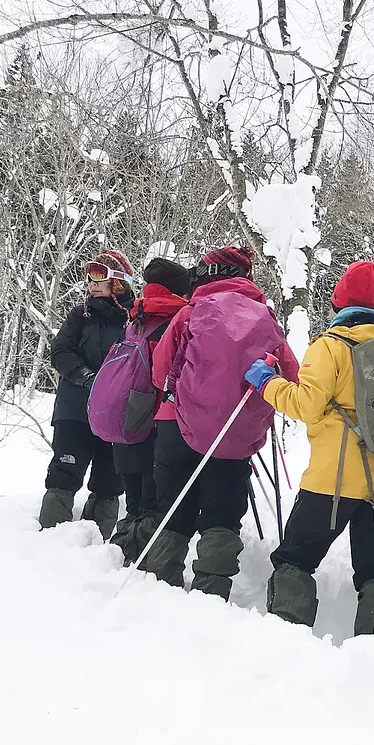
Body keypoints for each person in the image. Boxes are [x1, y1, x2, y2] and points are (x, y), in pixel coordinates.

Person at [246, 261, 374, 642]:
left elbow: (306, 405)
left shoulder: (330, 346)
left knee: (295, 559)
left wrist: (267, 383)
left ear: (339, 300)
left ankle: (287, 640)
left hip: (332, 480)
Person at [141, 246, 299, 600]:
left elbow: (160, 371)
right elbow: (292, 377)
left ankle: (160, 589)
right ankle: (210, 595)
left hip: (176, 425)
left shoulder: (190, 313)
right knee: (222, 515)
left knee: (173, 506)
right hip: (235, 433)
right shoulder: (266, 318)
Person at [39, 251, 135, 538]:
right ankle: (48, 540)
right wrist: (85, 376)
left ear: (117, 282)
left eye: (99, 276)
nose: (91, 283)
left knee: (109, 480)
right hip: (75, 409)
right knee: (64, 472)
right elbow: (60, 352)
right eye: (89, 276)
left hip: (114, 412)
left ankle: (96, 546)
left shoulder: (133, 320)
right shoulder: (80, 315)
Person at [107, 257, 191, 565]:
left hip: (128, 415)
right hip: (159, 421)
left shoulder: (137, 317)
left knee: (134, 502)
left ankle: (117, 557)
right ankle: (143, 566)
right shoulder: (178, 320)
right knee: (155, 501)